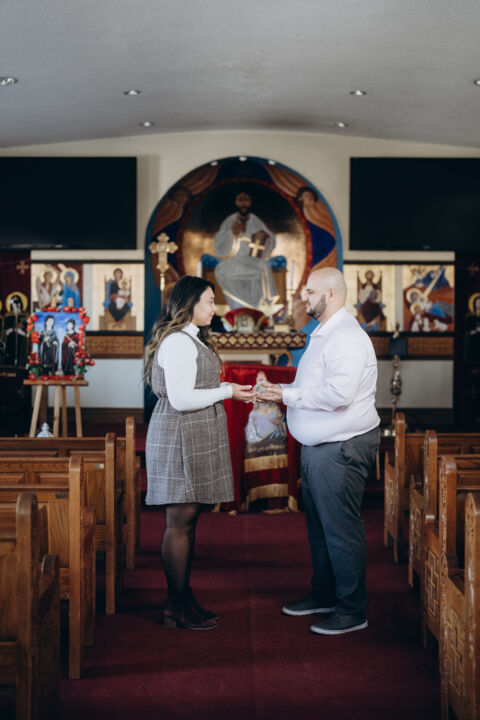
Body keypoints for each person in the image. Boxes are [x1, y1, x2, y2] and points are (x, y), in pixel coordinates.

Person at [258, 267, 380, 635]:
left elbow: (339, 395)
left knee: (340, 529)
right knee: (320, 528)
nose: (303, 297)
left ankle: (352, 610)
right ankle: (325, 594)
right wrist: (280, 391)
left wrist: (288, 395)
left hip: (340, 447)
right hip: (320, 446)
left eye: (310, 291)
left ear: (331, 294)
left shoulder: (346, 337)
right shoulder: (324, 333)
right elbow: (313, 384)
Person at [143, 275, 256, 630]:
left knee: (188, 520)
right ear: (189, 304)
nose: (214, 308)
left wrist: (226, 388)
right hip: (180, 435)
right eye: (209, 301)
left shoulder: (191, 338)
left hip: (190, 433)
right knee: (179, 522)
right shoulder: (178, 341)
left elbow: (193, 388)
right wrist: (227, 391)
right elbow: (181, 399)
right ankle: (175, 605)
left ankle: (182, 597)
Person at [214, 192, 277, 309]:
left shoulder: (255, 220)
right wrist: (232, 234)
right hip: (234, 259)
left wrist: (264, 236)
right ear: (236, 203)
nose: (243, 203)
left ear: (250, 202)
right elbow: (219, 244)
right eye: (240, 200)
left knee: (264, 266)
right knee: (220, 270)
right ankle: (235, 306)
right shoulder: (229, 221)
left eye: (246, 200)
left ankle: (256, 306)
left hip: (252, 260)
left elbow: (270, 238)